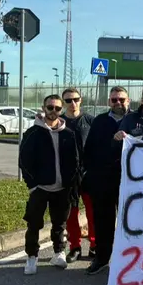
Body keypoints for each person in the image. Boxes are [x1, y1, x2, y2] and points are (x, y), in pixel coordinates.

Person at [18, 94, 80, 275]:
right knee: (34, 223)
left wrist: (70, 184)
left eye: (57, 108)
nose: (53, 111)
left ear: (62, 110)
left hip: (62, 189)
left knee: (60, 223)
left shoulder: (68, 134)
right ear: (43, 108)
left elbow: (75, 161)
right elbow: (24, 161)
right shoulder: (32, 133)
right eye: (50, 107)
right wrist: (33, 185)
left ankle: (59, 253)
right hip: (40, 188)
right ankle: (32, 256)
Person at [84, 86, 131, 275]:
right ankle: (102, 258)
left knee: (130, 222)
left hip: (130, 180)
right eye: (114, 100)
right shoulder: (100, 121)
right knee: (103, 221)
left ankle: (129, 262)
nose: (118, 103)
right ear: (109, 102)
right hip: (103, 180)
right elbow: (89, 149)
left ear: (128, 101)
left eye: (121, 99)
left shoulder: (136, 120)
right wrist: (91, 174)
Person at [59, 87, 96, 263]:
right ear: (63, 102)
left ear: (81, 100)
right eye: (68, 100)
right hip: (68, 175)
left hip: (88, 174)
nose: (72, 103)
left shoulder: (90, 121)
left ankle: (95, 245)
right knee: (71, 213)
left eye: (75, 99)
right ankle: (75, 247)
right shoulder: (59, 122)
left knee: (92, 212)